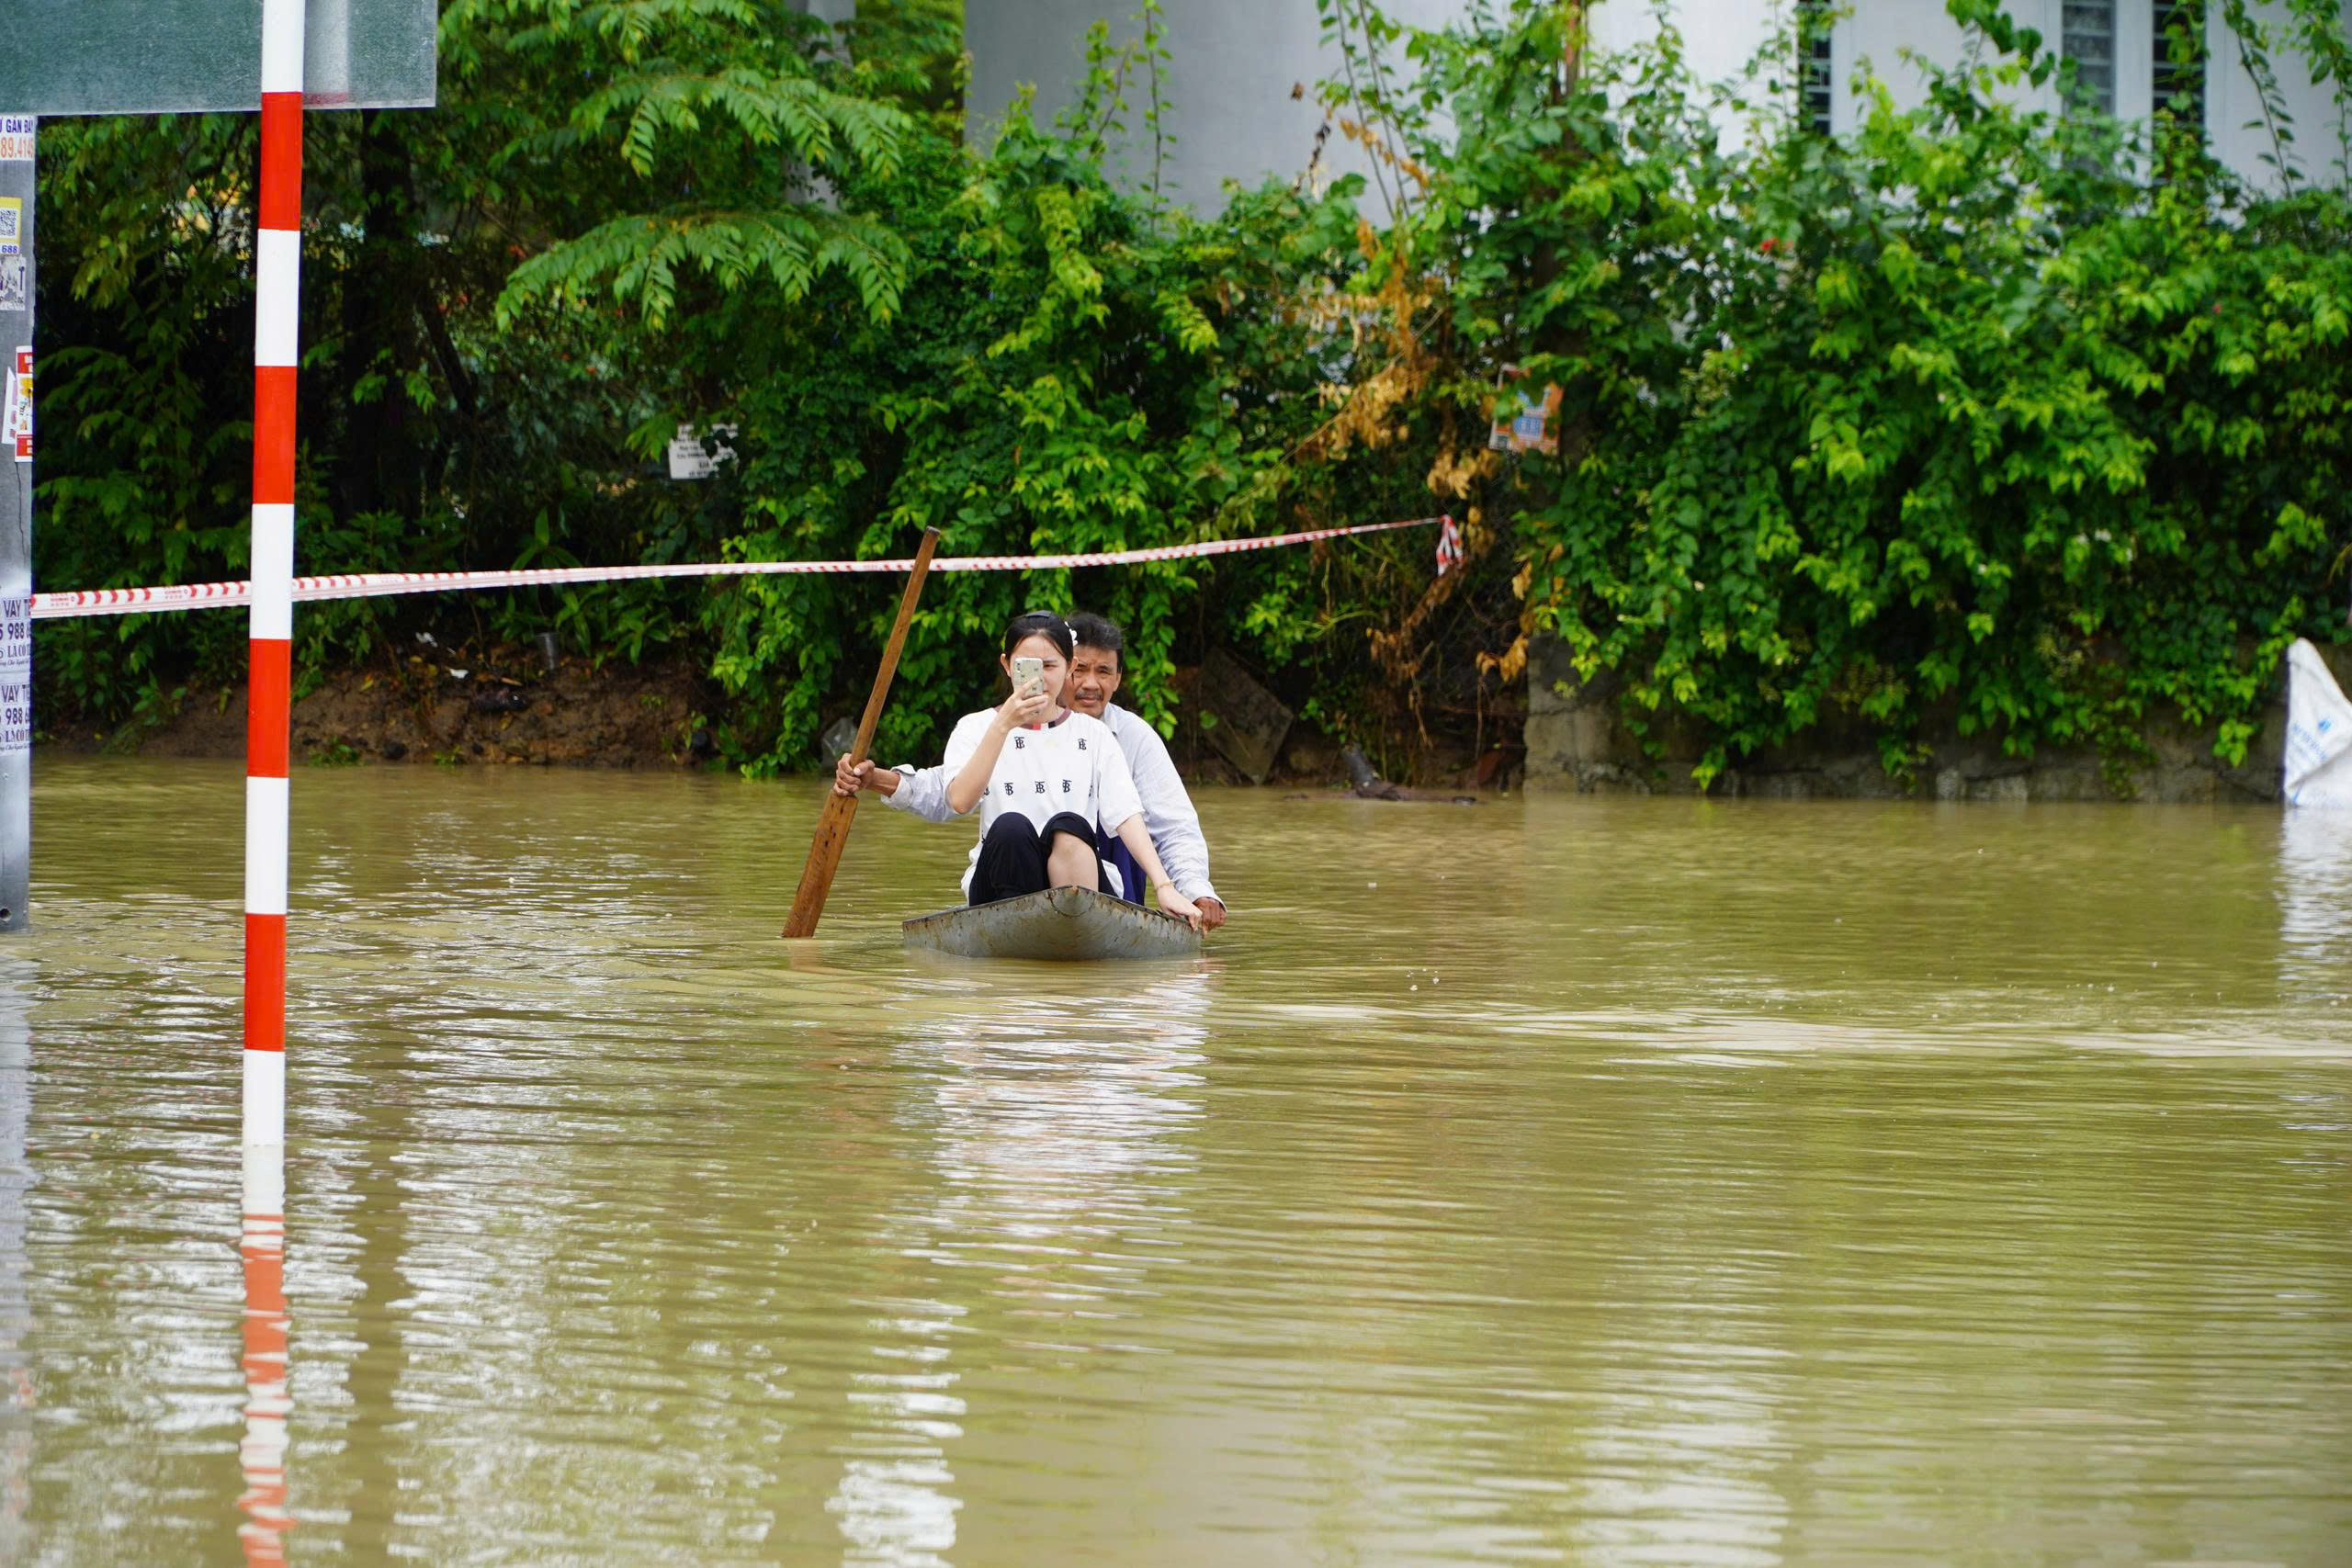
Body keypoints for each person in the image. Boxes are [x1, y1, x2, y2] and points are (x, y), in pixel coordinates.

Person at [838, 611, 1229, 931]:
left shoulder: (1101, 734)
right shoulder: (976, 727)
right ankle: (1017, 941)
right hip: (1005, 871)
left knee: (1071, 824)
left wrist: (1169, 887)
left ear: (1067, 667)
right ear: (1007, 666)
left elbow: (1131, 816)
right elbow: (954, 798)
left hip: (1081, 877)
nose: (1039, 677)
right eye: (1028, 666)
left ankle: (1074, 934)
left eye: (1050, 665)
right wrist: (1004, 724)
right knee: (1009, 827)